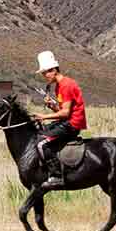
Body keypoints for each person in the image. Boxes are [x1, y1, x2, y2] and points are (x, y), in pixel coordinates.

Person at [32, 50, 86, 190]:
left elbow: (66, 113)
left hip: (73, 124)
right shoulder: (59, 86)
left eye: (45, 73)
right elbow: (61, 111)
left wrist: (43, 116)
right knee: (41, 132)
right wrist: (52, 106)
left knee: (42, 143)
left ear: (54, 70)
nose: (45, 76)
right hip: (67, 121)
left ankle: (56, 176)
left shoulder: (67, 85)